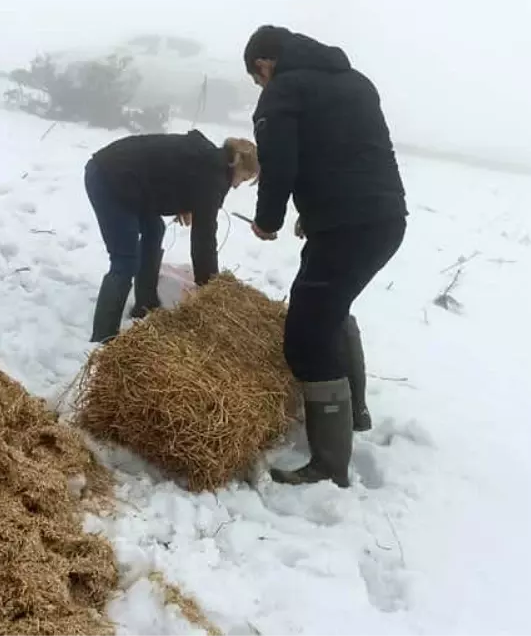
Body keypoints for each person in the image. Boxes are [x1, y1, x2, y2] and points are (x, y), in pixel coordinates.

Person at [244, 25, 408, 487]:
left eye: (257, 80)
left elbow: (279, 164)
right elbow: (356, 154)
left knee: (306, 336)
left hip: (346, 228)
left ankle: (330, 464)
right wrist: (320, 210)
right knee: (333, 309)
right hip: (386, 219)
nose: (261, 87)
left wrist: (268, 221)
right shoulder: (357, 83)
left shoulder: (283, 92)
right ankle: (354, 413)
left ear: (263, 64)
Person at [84, 130, 260, 343]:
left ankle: (145, 304)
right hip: (110, 180)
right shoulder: (214, 176)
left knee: (155, 229)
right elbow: (204, 237)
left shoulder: (210, 160)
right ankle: (104, 337)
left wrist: (182, 202)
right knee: (125, 261)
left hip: (127, 178)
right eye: (244, 177)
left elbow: (171, 174)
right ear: (237, 164)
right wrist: (211, 289)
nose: (237, 185)